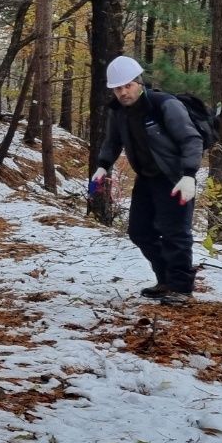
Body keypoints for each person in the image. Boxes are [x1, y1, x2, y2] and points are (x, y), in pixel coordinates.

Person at [91, 55, 203, 306]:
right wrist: (102, 166)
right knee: (139, 231)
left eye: (127, 86)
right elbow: (112, 141)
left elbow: (191, 139)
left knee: (176, 233)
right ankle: (165, 280)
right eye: (117, 88)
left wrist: (188, 175)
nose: (123, 92)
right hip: (147, 177)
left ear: (139, 82)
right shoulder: (118, 112)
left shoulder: (165, 105)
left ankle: (181, 288)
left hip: (174, 178)